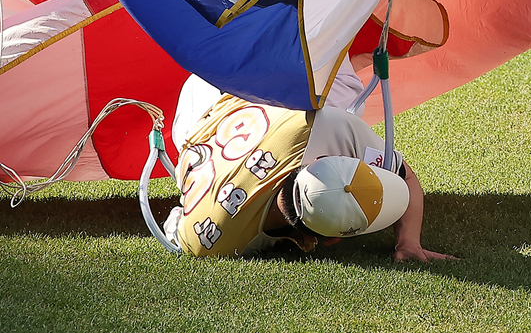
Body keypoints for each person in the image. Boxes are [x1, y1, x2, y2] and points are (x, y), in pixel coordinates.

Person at [161, 75, 454, 262]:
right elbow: (175, 221)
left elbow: (405, 177)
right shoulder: (214, 244)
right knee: (341, 93)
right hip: (204, 104)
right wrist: (408, 242)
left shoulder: (327, 126)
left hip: (206, 95)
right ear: (320, 242)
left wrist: (408, 242)